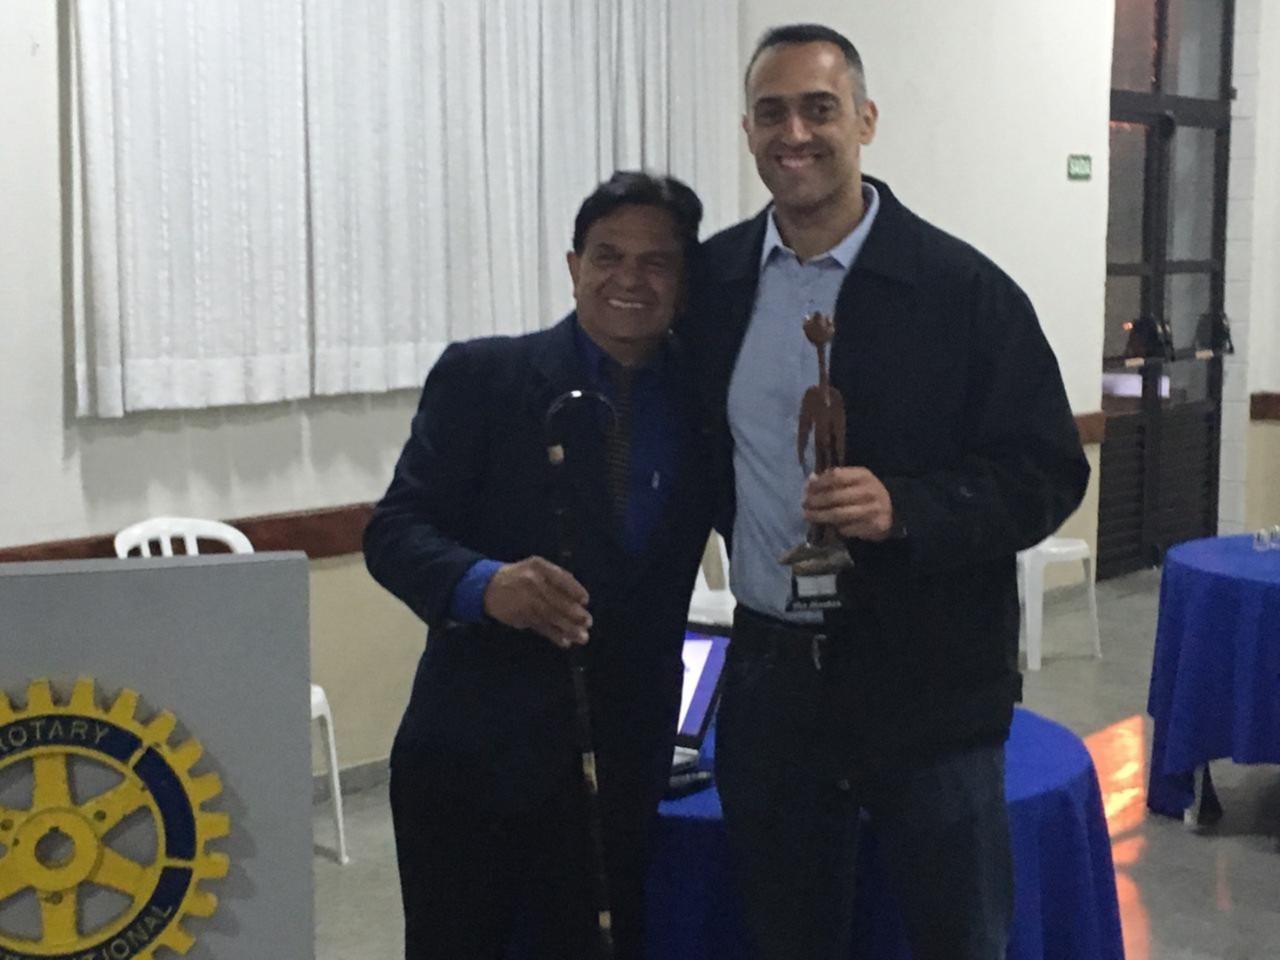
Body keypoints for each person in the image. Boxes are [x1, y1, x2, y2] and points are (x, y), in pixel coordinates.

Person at [683, 23, 1091, 960]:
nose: (795, 133)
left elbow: (1048, 469)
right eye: (772, 113)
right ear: (747, 132)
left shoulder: (964, 291)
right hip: (774, 678)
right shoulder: (713, 285)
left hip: (929, 681)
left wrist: (908, 510)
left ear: (865, 120)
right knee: (788, 936)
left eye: (819, 109)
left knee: (958, 938)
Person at [364, 171, 714, 960]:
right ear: (573, 266)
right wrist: (484, 585)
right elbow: (395, 530)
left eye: (656, 262)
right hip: (472, 756)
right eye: (608, 256)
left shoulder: (708, 402)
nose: (630, 279)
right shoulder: (484, 378)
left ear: (685, 280)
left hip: (622, 757)